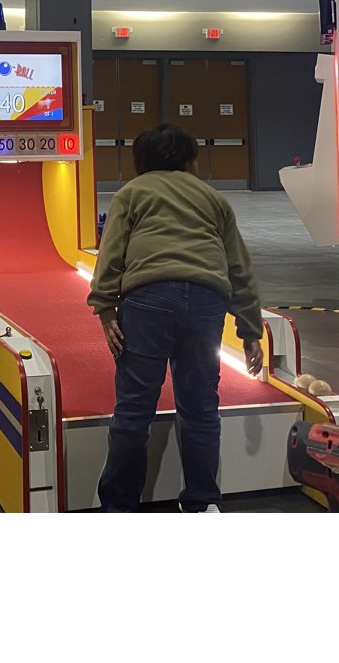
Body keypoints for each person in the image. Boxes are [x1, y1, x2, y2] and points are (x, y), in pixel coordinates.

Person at [88, 123, 265, 513]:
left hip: (148, 299)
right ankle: (202, 503)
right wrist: (250, 329)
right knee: (200, 408)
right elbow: (239, 266)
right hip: (206, 300)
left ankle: (119, 508)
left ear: (140, 162)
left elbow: (111, 253)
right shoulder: (212, 198)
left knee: (134, 409)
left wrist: (104, 307)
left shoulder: (132, 193)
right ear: (190, 162)